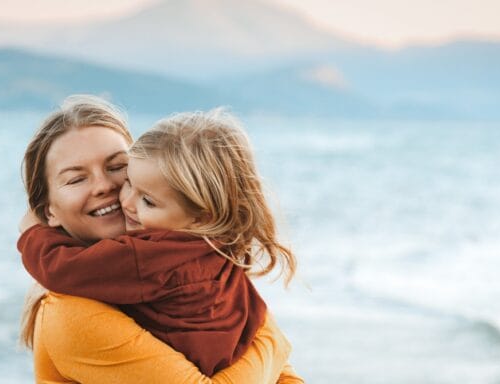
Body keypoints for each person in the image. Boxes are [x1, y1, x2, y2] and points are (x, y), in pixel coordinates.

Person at [18, 95, 303, 383]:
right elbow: (270, 348)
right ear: (48, 212)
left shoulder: (183, 258)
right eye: (76, 179)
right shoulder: (71, 313)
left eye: (118, 168)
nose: (106, 186)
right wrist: (270, 341)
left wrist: (271, 343)